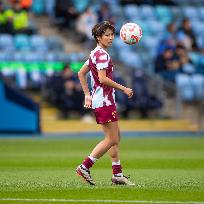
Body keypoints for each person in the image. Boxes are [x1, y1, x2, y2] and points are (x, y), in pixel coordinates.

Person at [76, 21, 135, 186]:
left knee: (115, 137)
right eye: (107, 35)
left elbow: (81, 73)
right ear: (98, 37)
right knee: (112, 138)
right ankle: (85, 166)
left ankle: (117, 174)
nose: (111, 38)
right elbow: (102, 78)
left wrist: (87, 95)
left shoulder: (95, 53)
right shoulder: (102, 55)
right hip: (104, 101)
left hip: (100, 100)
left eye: (112, 35)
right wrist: (123, 88)